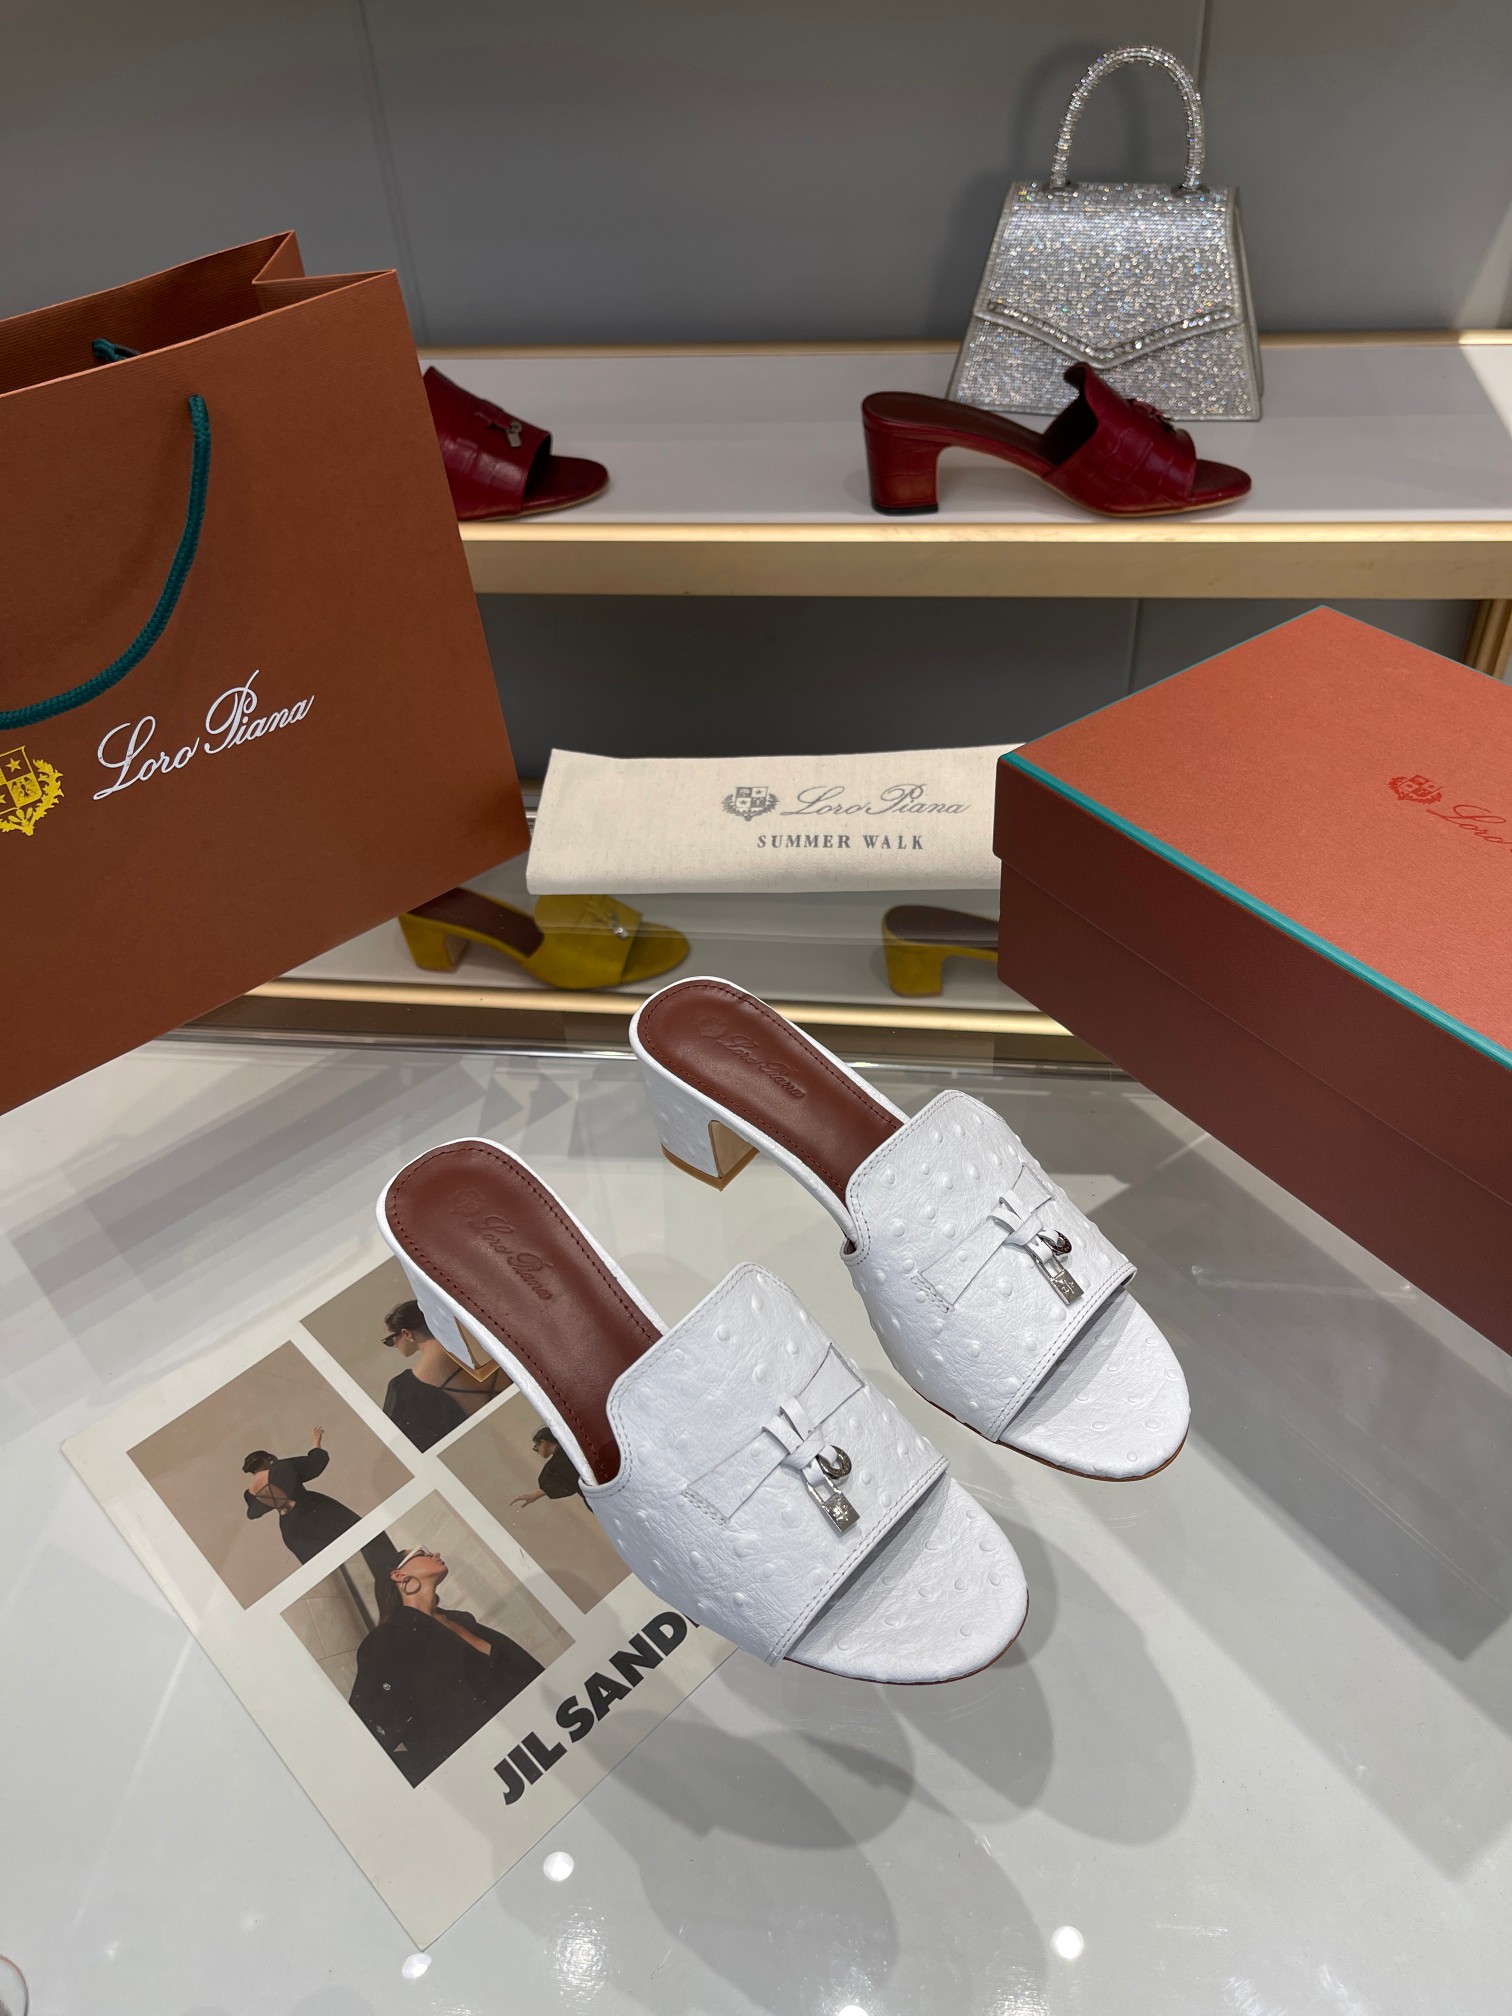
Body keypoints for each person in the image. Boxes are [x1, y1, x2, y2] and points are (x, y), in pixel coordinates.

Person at [348, 1547, 544, 1784]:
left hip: (543, 1734)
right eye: (421, 1552)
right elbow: (366, 1731)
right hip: (493, 1774)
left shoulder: (461, 1620)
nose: (435, 1554)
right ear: (398, 1575)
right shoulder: (386, 1641)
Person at [381, 1299, 505, 1452]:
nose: (394, 1346)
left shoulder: (404, 1389)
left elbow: (401, 1449)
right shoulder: (484, 1344)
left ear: (407, 1333)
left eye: (390, 1341)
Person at [242, 1428, 361, 1564]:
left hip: (291, 1528)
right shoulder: (280, 1469)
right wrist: (316, 1442)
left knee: (324, 1564)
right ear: (266, 1460)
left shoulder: (250, 1493)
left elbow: (254, 1513)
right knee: (359, 1537)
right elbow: (315, 1464)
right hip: (313, 1512)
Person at [511, 1426, 583, 1508]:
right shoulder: (568, 1451)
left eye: (537, 1446)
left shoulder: (558, 1461)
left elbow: (561, 1483)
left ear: (543, 1442)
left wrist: (534, 1496)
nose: (538, 1451)